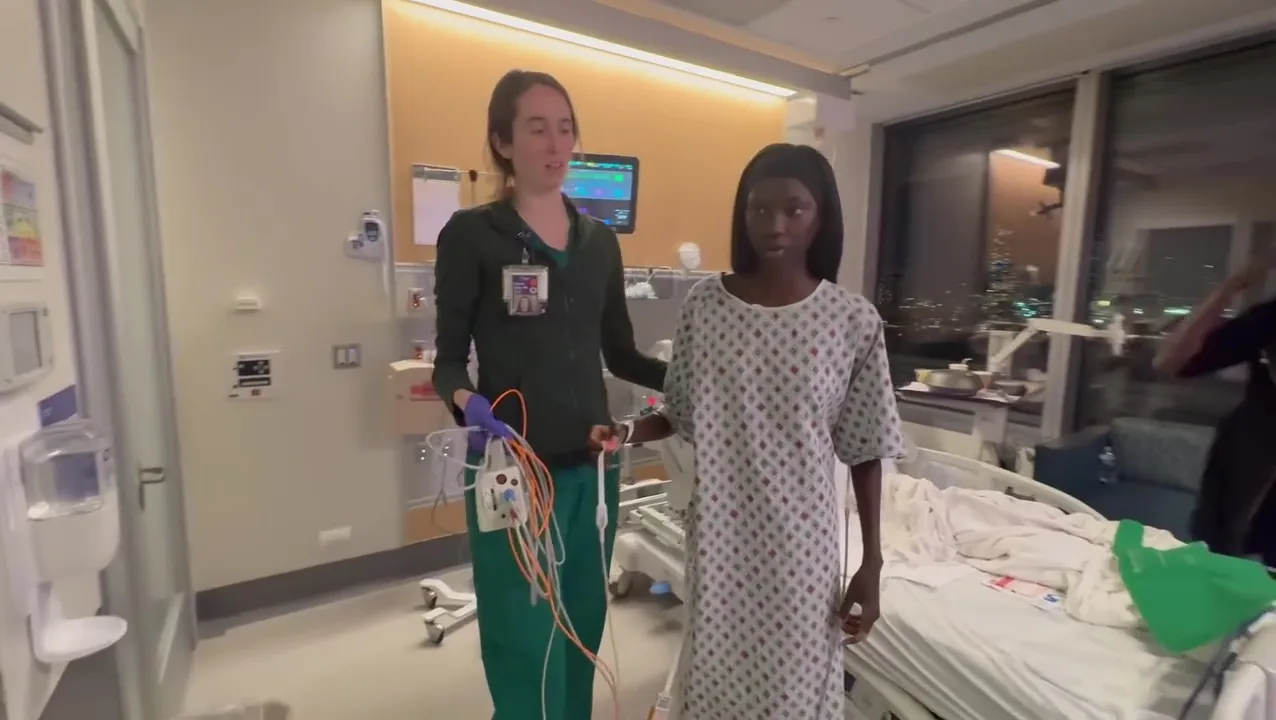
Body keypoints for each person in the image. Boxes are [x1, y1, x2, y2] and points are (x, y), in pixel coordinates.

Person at [614, 143, 906, 719]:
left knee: (793, 694)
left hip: (802, 551)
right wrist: (619, 434)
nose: (775, 225)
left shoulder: (852, 321)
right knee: (716, 686)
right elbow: (679, 413)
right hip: (719, 541)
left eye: (794, 209)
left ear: (821, 216)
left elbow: (867, 448)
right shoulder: (705, 307)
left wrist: (871, 564)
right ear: (742, 214)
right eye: (760, 209)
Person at [430, 69, 666, 719]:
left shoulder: (598, 244)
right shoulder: (473, 236)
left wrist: (697, 378)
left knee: (581, 625)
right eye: (537, 128)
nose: (556, 143)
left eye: (565, 128)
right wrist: (469, 403)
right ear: (503, 143)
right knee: (523, 635)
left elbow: (622, 355)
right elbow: (448, 363)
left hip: (593, 469)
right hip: (515, 472)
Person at [1154, 253, 1276, 563]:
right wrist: (1230, 288)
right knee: (1223, 562)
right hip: (1250, 471)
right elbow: (1172, 361)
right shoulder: (1268, 320)